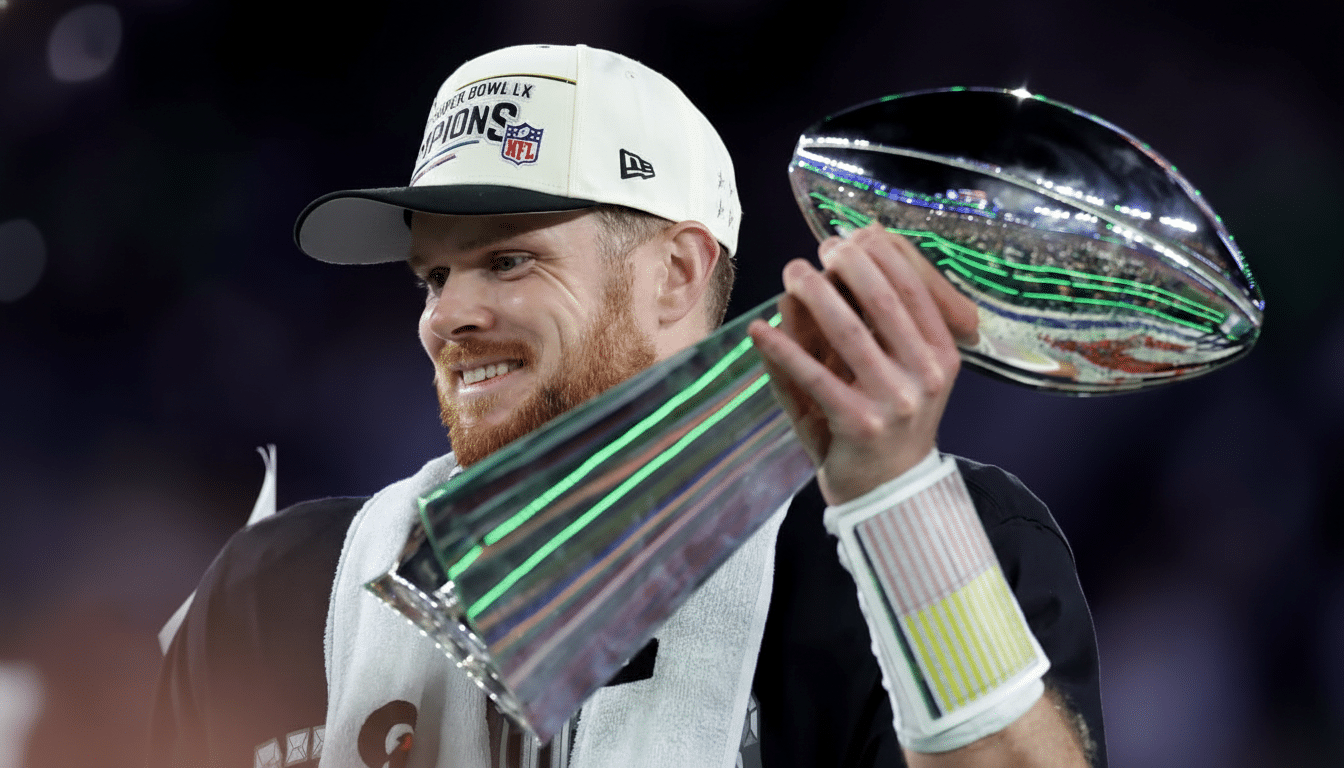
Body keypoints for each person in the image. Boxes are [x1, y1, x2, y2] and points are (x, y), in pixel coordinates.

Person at [149, 44, 1105, 768]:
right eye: (432, 275)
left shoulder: (941, 546)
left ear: (675, 274)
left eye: (506, 259)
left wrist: (898, 506)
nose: (447, 318)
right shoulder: (275, 596)